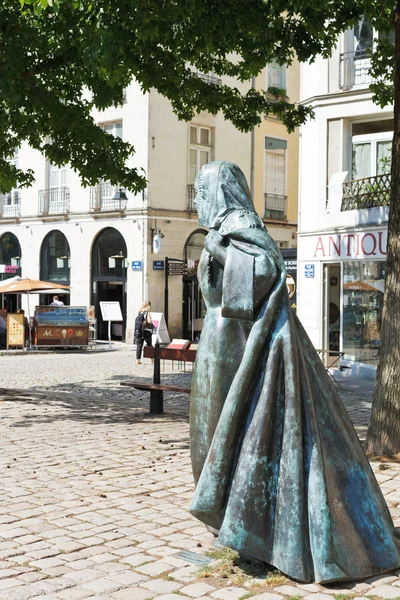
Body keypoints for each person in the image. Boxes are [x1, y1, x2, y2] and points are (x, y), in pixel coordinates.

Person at [190, 161, 400, 584]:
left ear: (218, 190)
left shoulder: (241, 222)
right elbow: (219, 292)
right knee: (213, 431)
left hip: (244, 345)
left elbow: (264, 272)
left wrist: (217, 249)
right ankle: (230, 519)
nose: (196, 201)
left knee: (232, 431)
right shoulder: (226, 227)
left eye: (201, 191)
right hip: (222, 341)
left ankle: (244, 526)